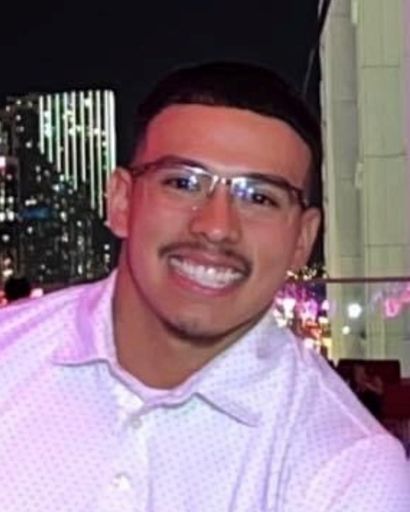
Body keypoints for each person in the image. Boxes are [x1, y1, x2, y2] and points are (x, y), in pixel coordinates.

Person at [0, 62, 408, 512]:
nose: (216, 227)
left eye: (259, 197)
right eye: (183, 183)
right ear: (121, 201)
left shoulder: (347, 469)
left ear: (302, 240)